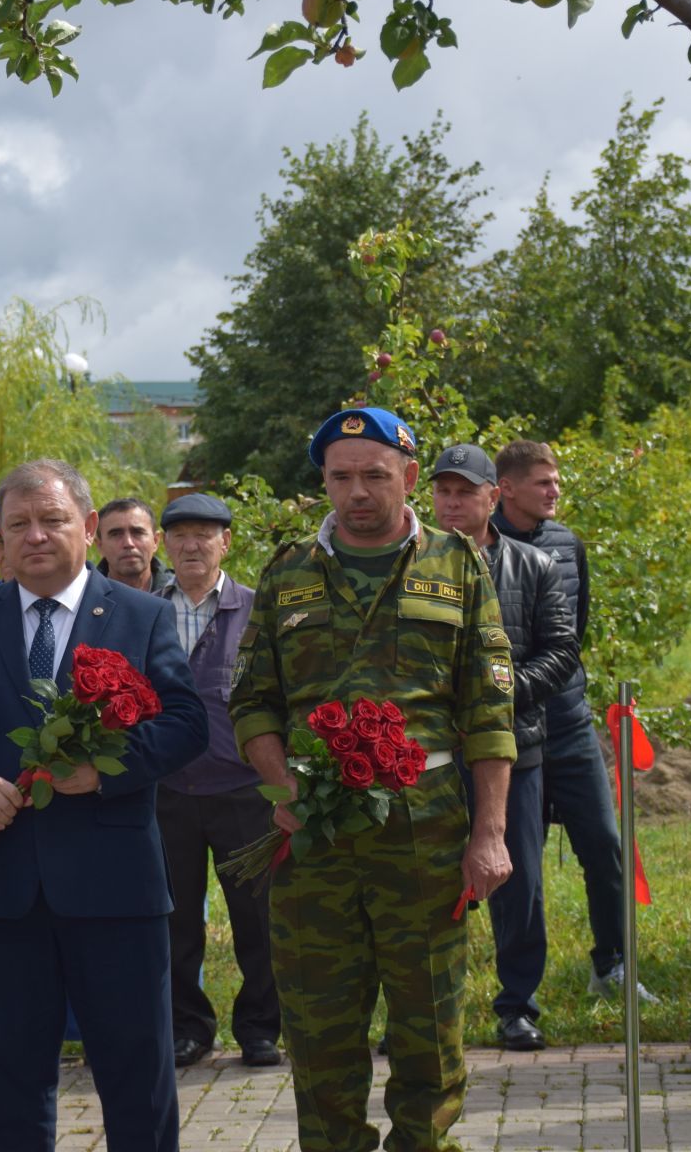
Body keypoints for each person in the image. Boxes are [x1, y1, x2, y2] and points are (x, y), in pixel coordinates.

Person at [231, 407, 517, 1152]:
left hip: (425, 841)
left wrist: (490, 833)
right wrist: (282, 788)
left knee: (430, 1031)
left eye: (375, 476)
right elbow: (251, 701)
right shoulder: (287, 572)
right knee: (320, 1034)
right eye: (341, 477)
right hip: (314, 844)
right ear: (323, 481)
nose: (358, 492)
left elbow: (490, 710)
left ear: (410, 477)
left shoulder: (457, 566)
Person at [0, 459, 207, 1152]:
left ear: (90, 527)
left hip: (116, 888)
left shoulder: (142, 615)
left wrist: (102, 773)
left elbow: (186, 724)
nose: (35, 536)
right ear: (2, 538)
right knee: (9, 1075)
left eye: (52, 520)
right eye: (19, 525)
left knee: (138, 1073)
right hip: (4, 888)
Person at [429, 443, 579, 1053]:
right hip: (432, 755)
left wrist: (503, 694)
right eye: (443, 491)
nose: (453, 502)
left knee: (517, 882)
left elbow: (562, 651)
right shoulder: (408, 567)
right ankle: (432, 1009)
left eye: (466, 491)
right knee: (432, 885)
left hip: (516, 749)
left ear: (494, 497)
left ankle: (518, 1005)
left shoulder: (535, 567)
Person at [491, 440, 649, 1004]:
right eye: (543, 482)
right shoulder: (480, 546)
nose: (555, 490)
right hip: (509, 731)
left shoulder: (567, 544)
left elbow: (570, 637)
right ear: (506, 488)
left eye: (556, 481)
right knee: (520, 870)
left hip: (570, 721)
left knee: (606, 846)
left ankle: (612, 965)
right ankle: (518, 996)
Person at [151, 492, 277, 1070]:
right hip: (166, 791)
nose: (192, 544)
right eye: (180, 534)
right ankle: (188, 1028)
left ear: (227, 542)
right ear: (164, 544)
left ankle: (260, 1028)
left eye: (206, 533)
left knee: (260, 917)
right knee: (174, 919)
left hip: (244, 791)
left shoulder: (257, 610)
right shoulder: (143, 609)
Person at [95, 497, 173, 593]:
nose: (128, 543)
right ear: (100, 546)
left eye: (138, 533)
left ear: (155, 541)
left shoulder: (182, 590)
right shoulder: (83, 597)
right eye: (116, 534)